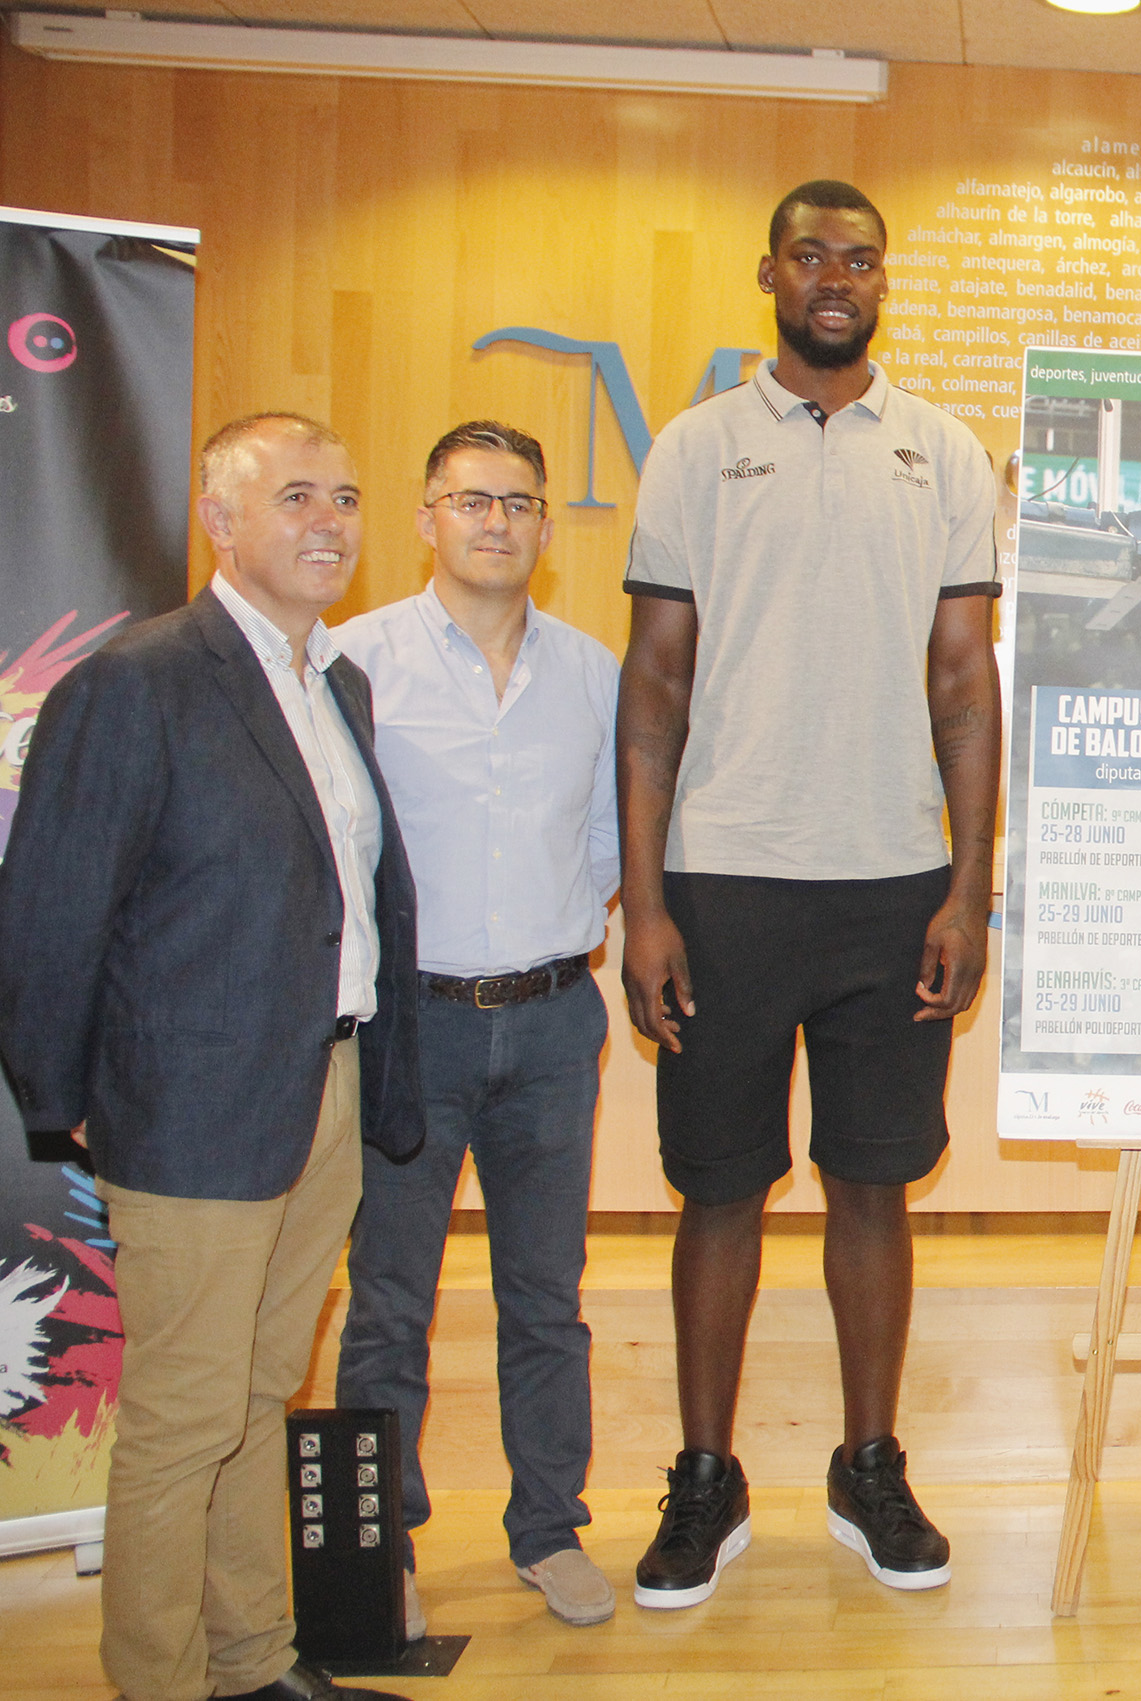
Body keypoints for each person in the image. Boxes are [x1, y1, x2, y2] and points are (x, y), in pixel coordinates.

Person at [616, 179, 1001, 1610]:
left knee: (872, 1183)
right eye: (810, 255)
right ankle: (705, 1478)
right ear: (767, 273)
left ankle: (867, 1465)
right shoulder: (693, 448)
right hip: (722, 881)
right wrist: (644, 905)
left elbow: (963, 688)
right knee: (719, 1189)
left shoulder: (941, 451)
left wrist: (970, 890)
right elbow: (655, 689)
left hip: (893, 884)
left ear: (883, 280)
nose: (835, 276)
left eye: (860, 258)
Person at [0, 413, 423, 1701]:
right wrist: (70, 1102)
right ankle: (160, 1679)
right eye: (295, 496)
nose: (328, 522)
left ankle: (252, 1662)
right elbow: (48, 911)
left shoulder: (334, 683)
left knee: (257, 1395)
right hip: (190, 1108)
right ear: (218, 520)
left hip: (324, 1086)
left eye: (344, 496)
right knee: (186, 1415)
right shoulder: (139, 681)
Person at [331, 421, 621, 1634]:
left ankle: (548, 1529)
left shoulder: (593, 671)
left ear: (546, 526)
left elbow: (607, 841)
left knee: (546, 1300)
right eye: (471, 500)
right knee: (389, 1299)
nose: (495, 522)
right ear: (426, 517)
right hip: (410, 1028)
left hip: (552, 1025)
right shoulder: (354, 662)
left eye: (517, 503)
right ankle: (380, 1548)